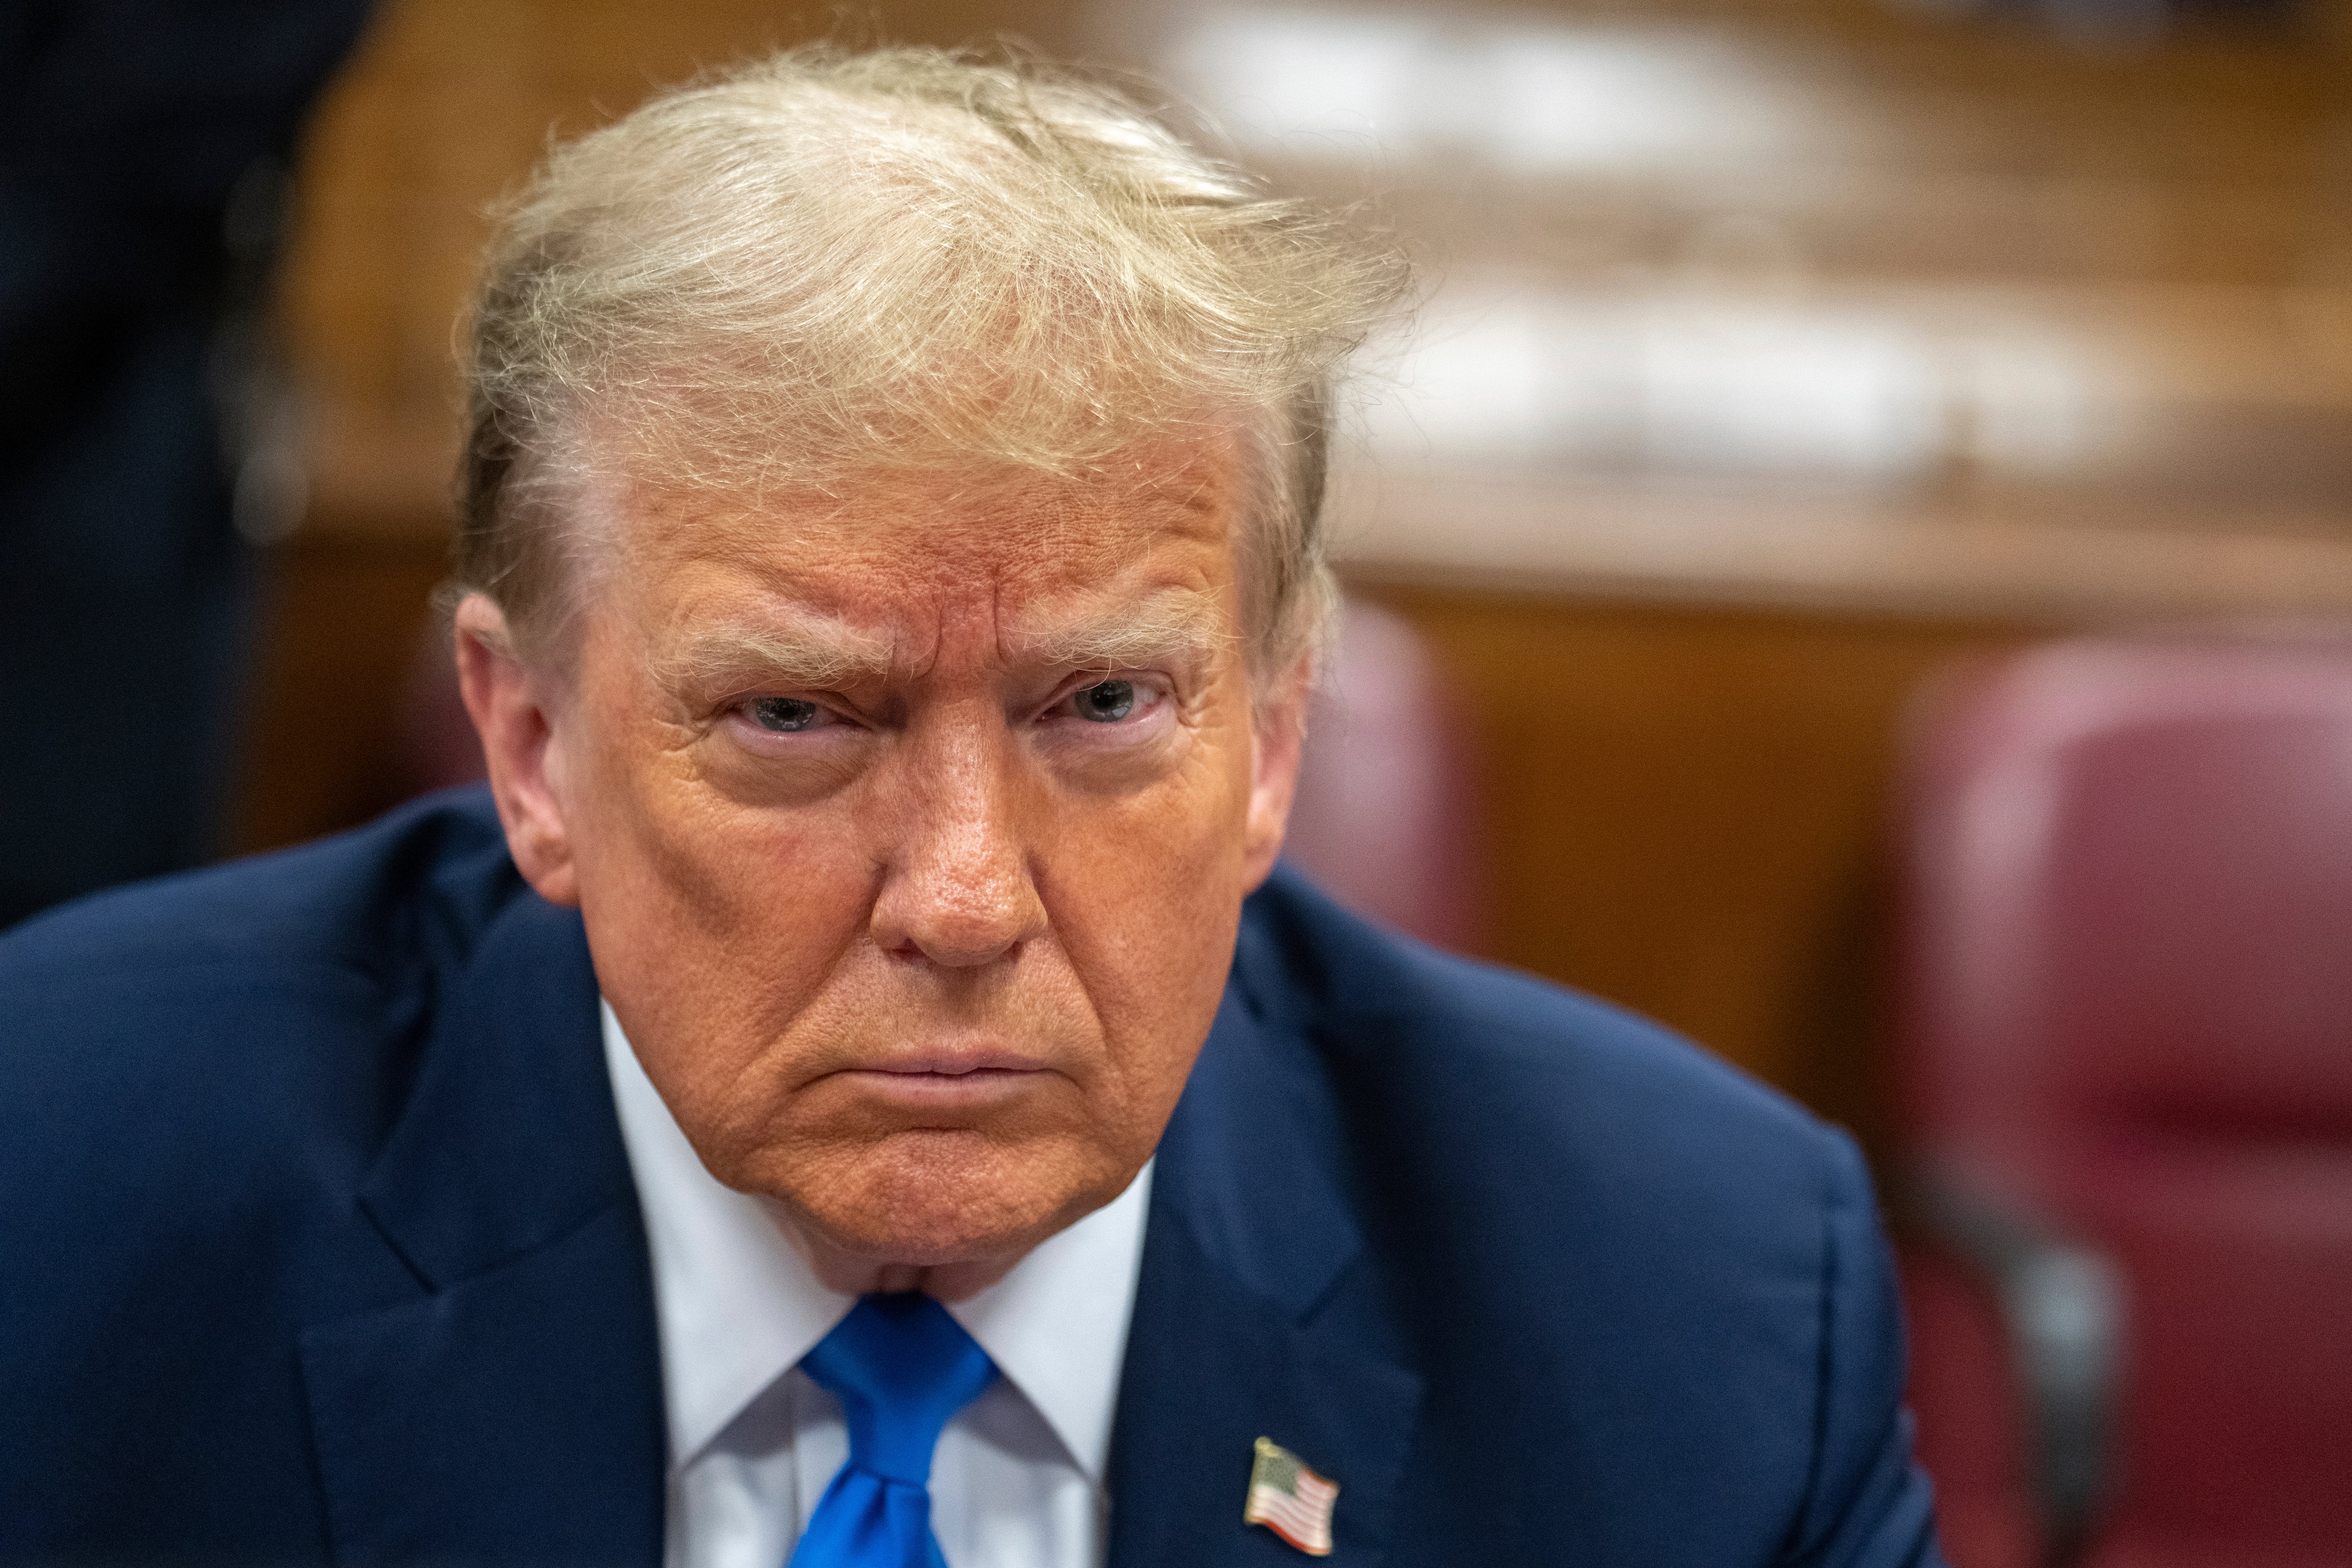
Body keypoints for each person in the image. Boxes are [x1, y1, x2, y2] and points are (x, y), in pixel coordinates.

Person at [0, 46, 1944, 1568]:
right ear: (531, 751)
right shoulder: (64, 1191)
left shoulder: (1689, 1316)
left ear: (1271, 739)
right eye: (791, 715)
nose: (960, 896)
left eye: (1102, 704)